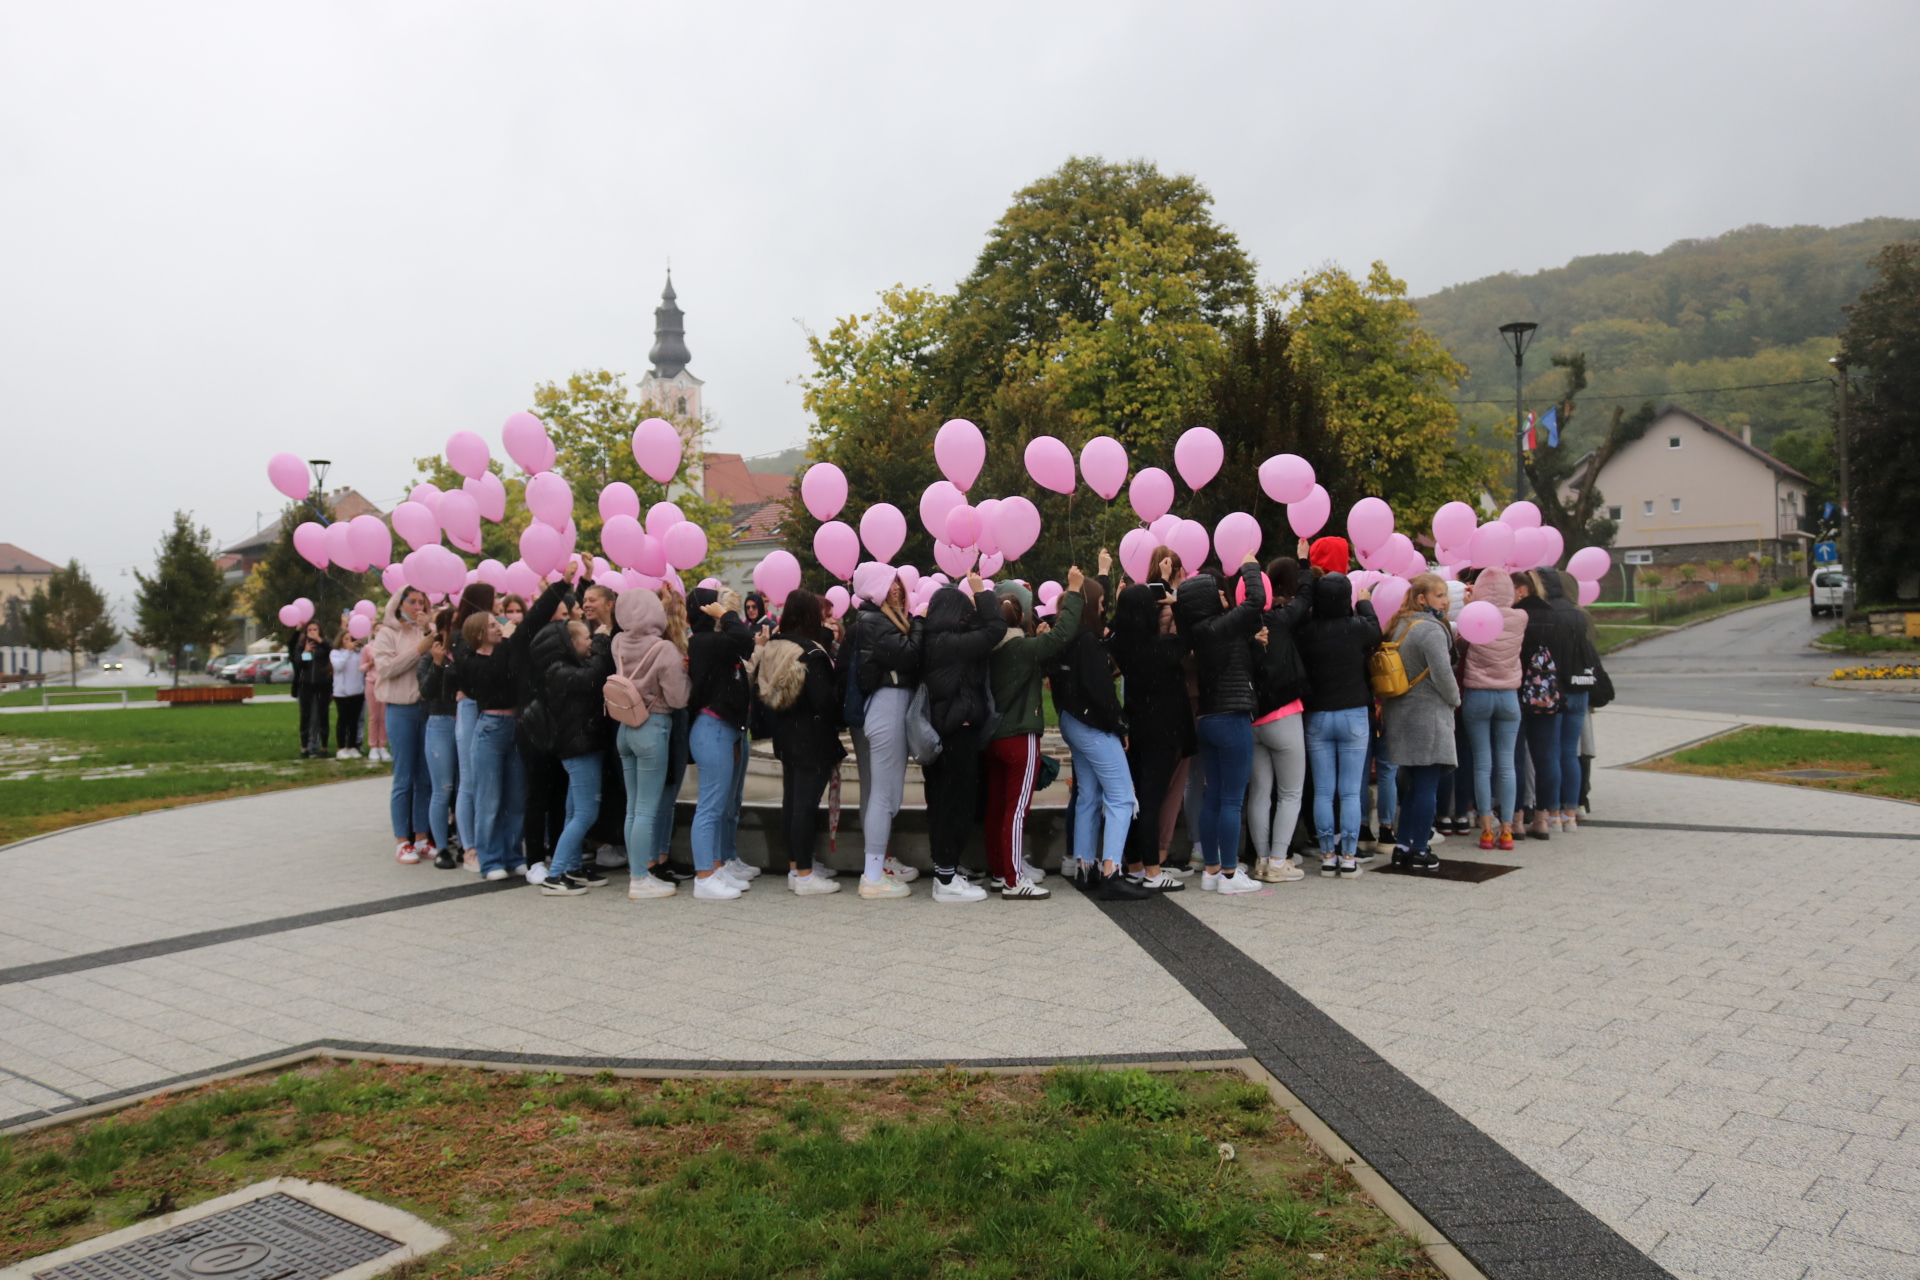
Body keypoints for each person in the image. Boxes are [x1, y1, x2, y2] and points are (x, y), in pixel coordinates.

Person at [1051, 569, 1149, 900]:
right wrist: (1120, 726)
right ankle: (1112, 872)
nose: (1104, 609)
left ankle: (1085, 867)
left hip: (1072, 721)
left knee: (1088, 796)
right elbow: (1101, 692)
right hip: (1092, 724)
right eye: (1102, 603)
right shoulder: (1090, 643)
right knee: (1121, 797)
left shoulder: (1069, 639)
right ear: (1091, 606)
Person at [1172, 553, 1267, 893]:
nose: (1225, 596)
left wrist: (1253, 645)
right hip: (1232, 717)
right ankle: (1230, 873)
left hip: (1208, 718)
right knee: (1231, 799)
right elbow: (1256, 599)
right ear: (1208, 600)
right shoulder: (1221, 625)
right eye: (1219, 592)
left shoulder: (1199, 631)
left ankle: (1212, 869)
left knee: (1213, 797)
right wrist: (1250, 566)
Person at [921, 571, 1013, 900]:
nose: (969, 616)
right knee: (955, 805)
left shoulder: (937, 638)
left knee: (943, 802)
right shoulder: (950, 643)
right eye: (965, 611)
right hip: (955, 733)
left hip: (943, 731)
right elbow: (995, 629)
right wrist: (981, 592)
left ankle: (946, 869)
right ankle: (945, 881)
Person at [754, 589, 844, 895]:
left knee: (791, 802)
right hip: (812, 736)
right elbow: (825, 702)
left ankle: (796, 867)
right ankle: (805, 875)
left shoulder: (776, 645)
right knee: (805, 806)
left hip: (785, 732)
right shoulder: (812, 655)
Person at [1296, 571, 1382, 877]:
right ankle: (1348, 856)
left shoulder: (1306, 630)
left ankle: (1327, 855)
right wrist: (1365, 604)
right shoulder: (1357, 627)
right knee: (1348, 792)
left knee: (1322, 790)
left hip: (1317, 714)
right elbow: (1377, 632)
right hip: (1354, 713)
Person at [1107, 581, 1190, 893]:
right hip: (1163, 730)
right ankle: (1154, 872)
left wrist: (1122, 605)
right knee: (1152, 801)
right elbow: (1189, 637)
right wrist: (1176, 602)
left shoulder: (1122, 646)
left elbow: (1115, 628)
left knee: (1136, 799)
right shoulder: (1163, 649)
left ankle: (1135, 865)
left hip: (1136, 728)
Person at [1377, 574, 1461, 870]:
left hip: (1400, 713)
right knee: (1427, 784)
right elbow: (1443, 674)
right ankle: (1420, 848)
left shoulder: (1398, 625)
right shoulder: (1431, 630)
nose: (1446, 600)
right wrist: (1456, 700)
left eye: (1446, 594)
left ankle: (1403, 845)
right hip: (1428, 716)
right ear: (1422, 598)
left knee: (1411, 783)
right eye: (1439, 595)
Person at [846, 568, 924, 888]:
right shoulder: (874, 621)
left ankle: (878, 871)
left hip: (891, 705)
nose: (896, 588)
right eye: (889, 582)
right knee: (882, 795)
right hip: (886, 706)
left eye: (897, 582)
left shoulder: (880, 619)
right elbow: (909, 656)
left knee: (889, 795)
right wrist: (919, 622)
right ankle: (874, 876)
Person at [530, 612, 616, 896]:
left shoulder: (562, 666)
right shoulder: (559, 671)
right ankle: (554, 876)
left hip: (581, 747)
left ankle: (571, 867)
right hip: (579, 750)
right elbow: (593, 677)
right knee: (586, 813)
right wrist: (603, 642)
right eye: (587, 637)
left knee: (573, 812)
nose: (591, 641)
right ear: (571, 641)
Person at [610, 586, 688, 900]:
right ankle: (641, 879)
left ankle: (636, 873)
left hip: (624, 726)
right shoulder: (664, 649)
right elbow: (678, 698)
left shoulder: (618, 642)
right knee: (646, 810)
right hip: (653, 727)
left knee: (632, 808)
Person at [685, 586, 757, 900]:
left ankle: (714, 868)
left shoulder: (712, 644)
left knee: (716, 806)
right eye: (713, 604)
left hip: (722, 729)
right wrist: (726, 615)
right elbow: (746, 641)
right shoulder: (705, 642)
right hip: (712, 729)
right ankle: (704, 876)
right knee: (710, 808)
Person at [1247, 555, 1313, 884]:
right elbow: (1306, 596)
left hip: (1253, 718)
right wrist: (1304, 562)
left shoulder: (1237, 625)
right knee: (1290, 792)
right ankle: (1277, 860)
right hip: (1284, 714)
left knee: (1259, 791)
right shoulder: (1280, 620)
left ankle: (1260, 860)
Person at [453, 610, 527, 880]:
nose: (500, 628)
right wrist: (507, 641)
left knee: (516, 797)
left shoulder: (507, 652)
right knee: (490, 798)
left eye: (500, 624)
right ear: (479, 634)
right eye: (494, 625)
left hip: (515, 726)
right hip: (490, 728)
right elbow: (491, 676)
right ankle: (491, 859)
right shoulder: (470, 660)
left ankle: (514, 854)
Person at [1458, 567, 1525, 851]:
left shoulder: (1473, 616)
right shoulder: (1521, 617)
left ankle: (1486, 830)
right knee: (1507, 764)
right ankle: (1507, 830)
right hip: (1509, 696)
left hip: (1477, 695)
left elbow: (1460, 644)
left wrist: (1470, 603)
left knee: (1482, 764)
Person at [370, 588, 434, 863]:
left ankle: (422, 837)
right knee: (404, 776)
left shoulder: (427, 630)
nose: (418, 607)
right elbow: (386, 669)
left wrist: (429, 631)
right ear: (399, 604)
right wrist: (419, 649)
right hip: (400, 709)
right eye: (413, 602)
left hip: (427, 709)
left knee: (426, 778)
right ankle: (401, 840)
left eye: (423, 602)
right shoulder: (386, 633)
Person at [1515, 569, 1578, 840]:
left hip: (1517, 694)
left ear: (1520, 591)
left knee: (1515, 757)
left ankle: (1515, 820)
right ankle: (1543, 818)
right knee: (1547, 756)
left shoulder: (1514, 617)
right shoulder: (1555, 617)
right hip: (1549, 695)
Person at [1540, 567, 1599, 833]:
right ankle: (1571, 814)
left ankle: (1552, 812)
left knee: (1552, 752)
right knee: (1571, 753)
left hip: (1555, 689)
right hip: (1580, 689)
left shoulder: (1546, 615)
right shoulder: (1578, 614)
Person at [448, 585, 498, 871]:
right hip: (470, 708)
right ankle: (470, 847)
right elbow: (468, 677)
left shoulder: (497, 632)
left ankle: (490, 842)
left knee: (488, 781)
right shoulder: (461, 637)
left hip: (491, 708)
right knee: (468, 780)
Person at [416, 608, 461, 867]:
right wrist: (436, 663)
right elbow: (426, 691)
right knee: (442, 788)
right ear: (443, 629)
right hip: (440, 722)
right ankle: (441, 848)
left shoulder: (465, 653)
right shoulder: (431, 656)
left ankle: (466, 844)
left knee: (465, 787)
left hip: (465, 721)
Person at [291, 621, 331, 759]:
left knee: (323, 716)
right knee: (305, 716)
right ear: (306, 632)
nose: (312, 632)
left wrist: (321, 641)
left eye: (315, 629)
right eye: (310, 630)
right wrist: (305, 652)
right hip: (306, 685)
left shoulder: (324, 645)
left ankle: (324, 747)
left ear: (319, 631)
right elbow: (297, 664)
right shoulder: (301, 645)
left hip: (322, 684)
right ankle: (304, 747)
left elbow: (333, 651)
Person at [329, 626, 366, 758]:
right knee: (343, 720)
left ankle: (352, 746)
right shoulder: (335, 653)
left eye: (351, 639)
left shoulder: (359, 653)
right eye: (346, 639)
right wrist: (347, 652)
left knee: (354, 720)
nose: (348, 641)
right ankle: (340, 748)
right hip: (342, 693)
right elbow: (338, 666)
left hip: (357, 691)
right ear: (341, 640)